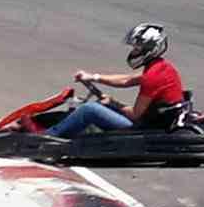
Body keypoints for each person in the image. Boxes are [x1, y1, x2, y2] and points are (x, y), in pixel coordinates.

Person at [51, 23, 185, 139]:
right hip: (155, 120)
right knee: (97, 106)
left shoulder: (152, 77)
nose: (133, 52)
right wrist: (93, 77)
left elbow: (135, 115)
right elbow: (127, 80)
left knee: (88, 109)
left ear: (149, 49)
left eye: (137, 48)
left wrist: (113, 103)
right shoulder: (162, 67)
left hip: (142, 128)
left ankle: (49, 138)